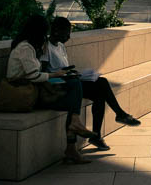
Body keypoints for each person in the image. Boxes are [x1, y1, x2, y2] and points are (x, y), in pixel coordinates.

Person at [42, 17, 141, 154]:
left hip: (70, 81)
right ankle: (119, 115)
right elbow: (44, 73)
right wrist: (63, 74)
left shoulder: (60, 46)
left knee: (100, 91)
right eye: (66, 33)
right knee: (102, 84)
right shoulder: (46, 47)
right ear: (57, 31)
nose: (68, 37)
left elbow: (64, 67)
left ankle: (99, 134)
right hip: (60, 85)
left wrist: (71, 72)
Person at [7, 14, 93, 164]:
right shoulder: (25, 48)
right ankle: (72, 141)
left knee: (73, 100)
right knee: (74, 91)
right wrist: (56, 74)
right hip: (24, 95)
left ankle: (72, 140)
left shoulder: (31, 46)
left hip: (34, 91)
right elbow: (34, 75)